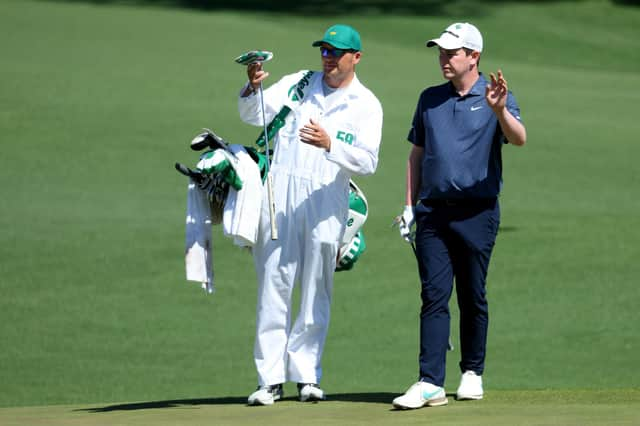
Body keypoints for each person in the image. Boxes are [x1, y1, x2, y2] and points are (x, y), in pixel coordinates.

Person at [237, 24, 383, 406]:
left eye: (336, 52)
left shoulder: (366, 104)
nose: (328, 57)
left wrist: (330, 143)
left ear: (356, 57)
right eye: (324, 50)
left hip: (325, 198)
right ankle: (269, 379)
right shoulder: (299, 82)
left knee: (317, 288)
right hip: (280, 194)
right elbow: (254, 117)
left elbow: (368, 162)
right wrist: (253, 87)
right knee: (273, 285)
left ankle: (306, 376)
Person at [392, 22, 526, 409]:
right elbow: (417, 154)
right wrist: (407, 205)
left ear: (473, 56)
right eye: (441, 53)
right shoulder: (429, 98)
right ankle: (430, 382)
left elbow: (518, 137)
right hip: (432, 213)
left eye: (452, 53)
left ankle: (472, 372)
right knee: (433, 296)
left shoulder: (495, 97)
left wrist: (499, 110)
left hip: (477, 213)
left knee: (472, 293)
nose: (444, 59)